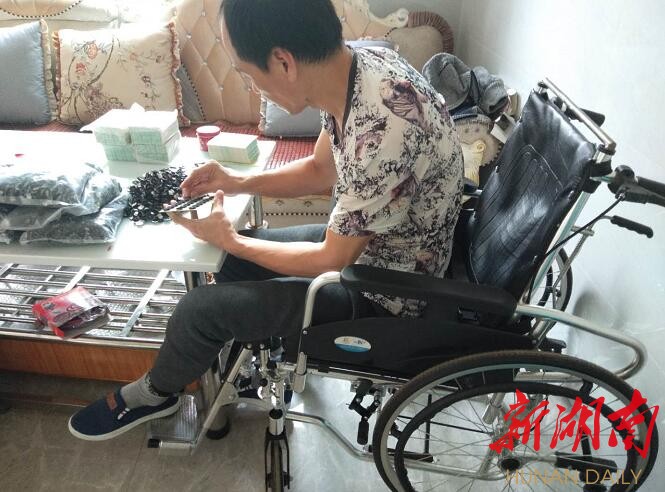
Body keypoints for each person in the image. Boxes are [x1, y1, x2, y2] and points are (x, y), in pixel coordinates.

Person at [68, 0, 463, 441]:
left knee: (198, 310)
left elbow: (330, 260)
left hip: (387, 290)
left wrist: (233, 239)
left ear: (283, 62)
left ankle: (157, 393)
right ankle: (248, 356)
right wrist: (236, 180)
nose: (253, 87)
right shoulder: (358, 69)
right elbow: (320, 170)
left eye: (249, 74)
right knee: (228, 262)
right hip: (375, 245)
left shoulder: (382, 130)